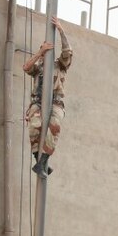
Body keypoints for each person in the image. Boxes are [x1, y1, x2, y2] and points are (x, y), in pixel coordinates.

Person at [23, 16, 73, 178]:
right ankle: (38, 159)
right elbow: (26, 67)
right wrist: (40, 52)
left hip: (56, 102)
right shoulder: (39, 67)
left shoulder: (61, 66)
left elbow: (67, 52)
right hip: (37, 102)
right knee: (35, 126)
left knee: (54, 126)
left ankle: (43, 160)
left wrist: (60, 30)